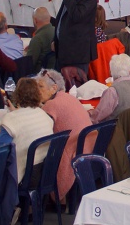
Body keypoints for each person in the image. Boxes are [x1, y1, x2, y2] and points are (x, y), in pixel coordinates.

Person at [37, 69, 92, 201]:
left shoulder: (51, 104)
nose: (37, 91)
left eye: (40, 87)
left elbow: (39, 129)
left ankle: (39, 201)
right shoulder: (69, 97)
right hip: (89, 148)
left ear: (54, 88)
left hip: (74, 153)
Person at [0, 77, 55, 182]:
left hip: (22, 176)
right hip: (45, 173)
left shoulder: (10, 119)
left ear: (16, 95)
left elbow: (0, 152)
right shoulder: (44, 115)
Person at [55, 0, 98, 76]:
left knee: (77, 84)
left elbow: (77, 16)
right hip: (64, 49)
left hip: (77, 52)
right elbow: (63, 17)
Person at [90, 54, 130, 122]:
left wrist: (88, 113)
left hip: (115, 127)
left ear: (110, 72)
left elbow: (98, 116)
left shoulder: (112, 91)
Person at [26, 7, 56, 71]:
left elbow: (28, 65)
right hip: (57, 73)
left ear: (35, 20)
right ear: (49, 18)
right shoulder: (58, 32)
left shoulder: (37, 39)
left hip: (40, 74)